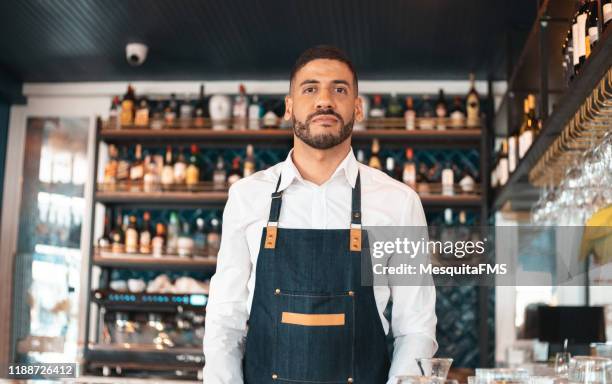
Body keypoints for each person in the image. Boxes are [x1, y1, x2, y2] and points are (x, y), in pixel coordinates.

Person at [203, 45, 437, 384]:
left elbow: (416, 326)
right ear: (289, 107)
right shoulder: (246, 197)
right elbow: (226, 320)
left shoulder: (399, 202)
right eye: (310, 88)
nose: (324, 100)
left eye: (339, 89)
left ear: (357, 108)